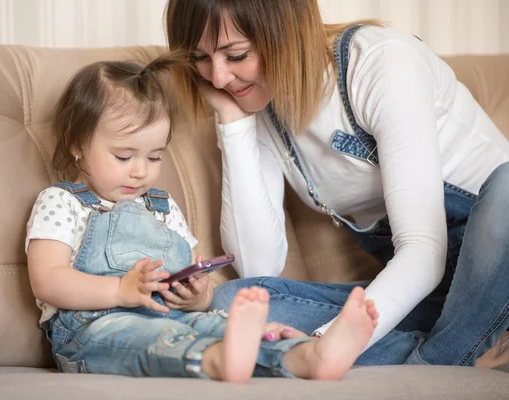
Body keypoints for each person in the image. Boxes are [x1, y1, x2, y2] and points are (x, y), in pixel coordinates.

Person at [164, 0, 509, 367]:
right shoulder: (255, 100)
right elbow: (258, 263)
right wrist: (234, 124)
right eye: (200, 58)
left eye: (237, 55)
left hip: (492, 279)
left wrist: (326, 341)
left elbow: (423, 251)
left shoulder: (381, 61)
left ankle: (438, 361)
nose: (217, 78)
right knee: (232, 303)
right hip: (433, 298)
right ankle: (477, 344)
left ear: (286, 34)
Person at [24, 55, 382, 382]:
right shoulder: (62, 202)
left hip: (173, 317)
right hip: (96, 329)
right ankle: (215, 361)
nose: (140, 172)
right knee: (157, 340)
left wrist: (196, 294)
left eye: (154, 157)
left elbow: (197, 288)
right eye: (123, 156)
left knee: (218, 324)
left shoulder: (161, 207)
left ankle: (306, 357)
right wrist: (120, 290)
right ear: (76, 143)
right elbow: (48, 280)